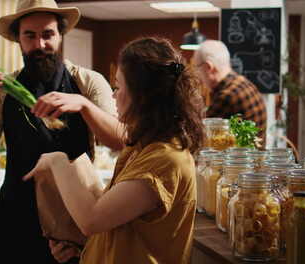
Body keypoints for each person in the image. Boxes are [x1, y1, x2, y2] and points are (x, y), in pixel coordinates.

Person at [0, 0, 123, 263]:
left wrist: (84, 106)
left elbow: (120, 140)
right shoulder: (5, 90)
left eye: (48, 34)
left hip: (73, 214)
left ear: (61, 36)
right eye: (30, 35)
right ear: (18, 40)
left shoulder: (88, 82)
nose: (40, 45)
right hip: (16, 215)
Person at [25, 37, 205, 264]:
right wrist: (82, 247)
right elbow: (122, 225)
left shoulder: (165, 159)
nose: (113, 94)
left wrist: (58, 161)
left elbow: (91, 220)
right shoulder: (142, 146)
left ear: (143, 96)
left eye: (119, 86)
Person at [193, 40, 267, 144]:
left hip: (241, 158)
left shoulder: (227, 95)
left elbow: (199, 134)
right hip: (254, 155)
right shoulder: (244, 83)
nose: (198, 76)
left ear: (208, 67)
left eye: (197, 69)